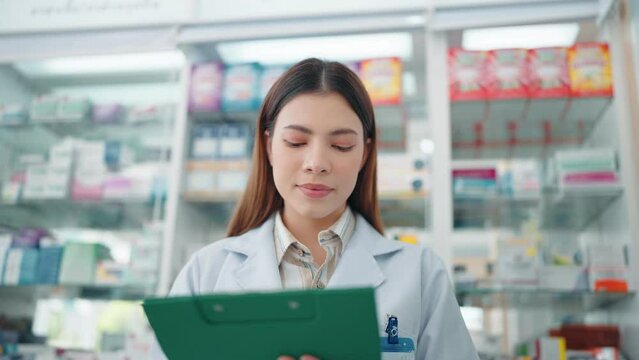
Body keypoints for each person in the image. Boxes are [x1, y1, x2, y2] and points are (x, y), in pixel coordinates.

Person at [153, 58, 478, 359]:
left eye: (341, 146)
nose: (317, 163)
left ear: (364, 153)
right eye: (296, 142)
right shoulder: (206, 273)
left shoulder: (419, 275)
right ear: (268, 146)